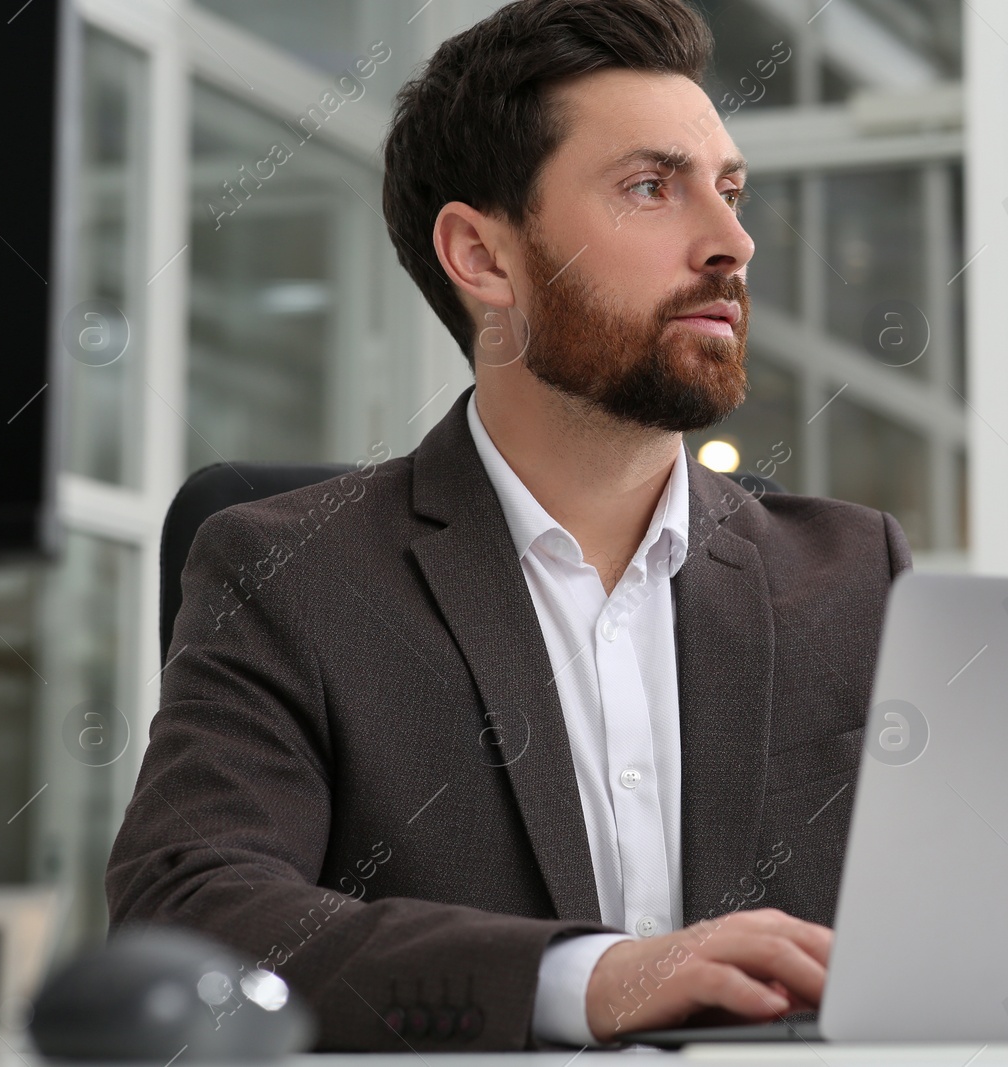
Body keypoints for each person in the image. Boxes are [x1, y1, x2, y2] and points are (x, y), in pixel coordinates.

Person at [105, 0, 911, 1050]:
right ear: (483, 258)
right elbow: (188, 911)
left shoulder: (858, 574)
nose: (731, 242)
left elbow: (991, 904)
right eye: (650, 188)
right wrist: (588, 978)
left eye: (729, 191)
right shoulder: (291, 573)